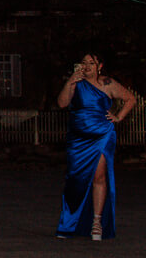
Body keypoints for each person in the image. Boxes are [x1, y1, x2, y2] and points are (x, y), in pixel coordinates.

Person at [55, 52, 137, 241]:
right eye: (84, 63)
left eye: (91, 63)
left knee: (99, 176)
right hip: (78, 136)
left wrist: (118, 116)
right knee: (75, 179)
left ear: (99, 65)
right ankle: (69, 223)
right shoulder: (76, 83)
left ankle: (97, 222)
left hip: (101, 134)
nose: (87, 66)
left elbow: (130, 99)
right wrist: (70, 82)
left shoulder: (107, 83)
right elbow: (61, 103)